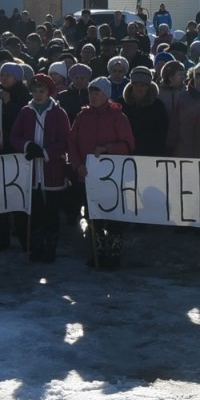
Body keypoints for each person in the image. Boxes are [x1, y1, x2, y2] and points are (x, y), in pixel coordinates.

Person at [69, 77, 135, 269]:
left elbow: (128, 144)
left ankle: (113, 253)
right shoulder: (82, 116)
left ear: (106, 95)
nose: (93, 96)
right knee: (92, 216)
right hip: (88, 176)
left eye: (97, 93)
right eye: (91, 92)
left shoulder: (118, 116)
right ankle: (97, 252)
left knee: (115, 217)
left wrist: (108, 148)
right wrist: (77, 165)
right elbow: (72, 142)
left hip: (112, 178)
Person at [10, 74, 71, 262]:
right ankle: (35, 247)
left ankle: (50, 248)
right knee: (35, 211)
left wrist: (45, 153)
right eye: (35, 91)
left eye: (42, 91)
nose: (38, 94)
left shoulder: (59, 113)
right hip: (32, 171)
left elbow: (65, 141)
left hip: (52, 170)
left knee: (52, 212)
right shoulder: (25, 112)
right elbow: (14, 136)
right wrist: (28, 146)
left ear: (49, 92)